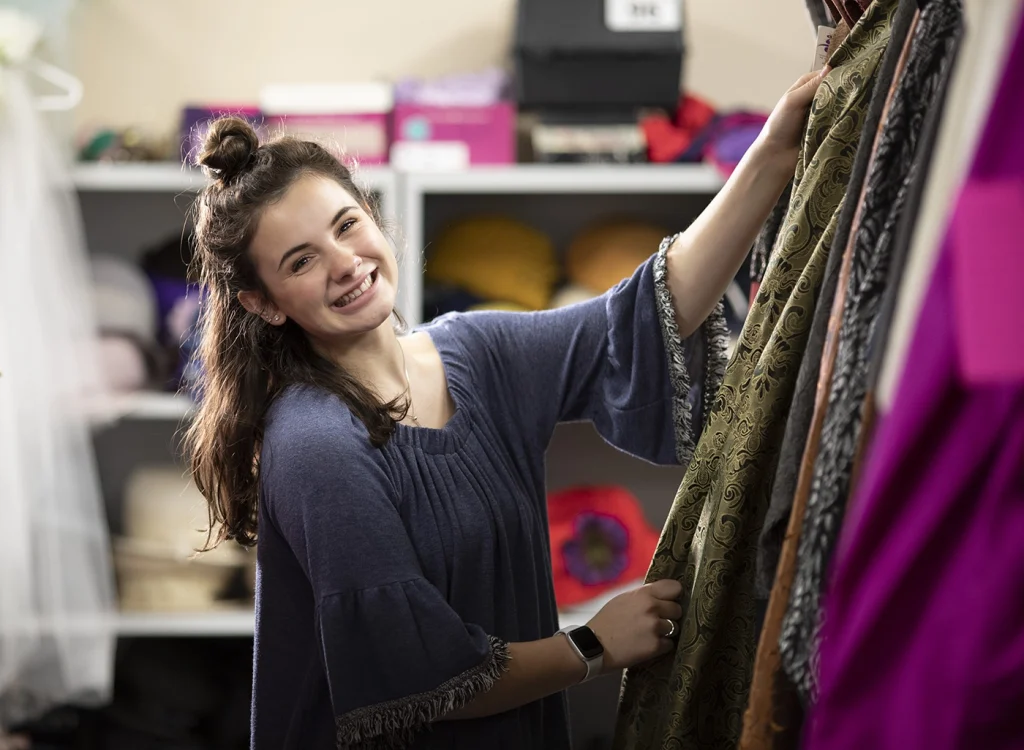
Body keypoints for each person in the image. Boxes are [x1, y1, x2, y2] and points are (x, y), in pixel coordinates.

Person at [184, 68, 828, 749]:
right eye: (301, 261)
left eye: (347, 225)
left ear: (371, 214)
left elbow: (641, 317)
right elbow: (420, 676)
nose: (345, 263)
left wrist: (774, 152)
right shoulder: (315, 444)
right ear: (263, 302)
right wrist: (592, 645)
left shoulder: (477, 351)